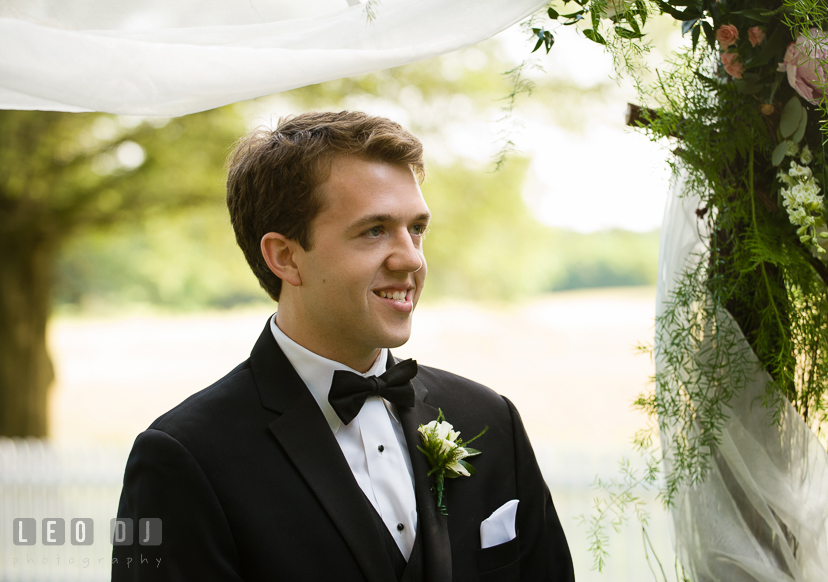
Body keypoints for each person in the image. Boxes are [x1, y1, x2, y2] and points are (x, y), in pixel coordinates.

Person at [111, 111, 574, 582]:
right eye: (374, 230)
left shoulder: (490, 420)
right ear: (286, 257)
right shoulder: (184, 458)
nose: (412, 258)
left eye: (416, 228)